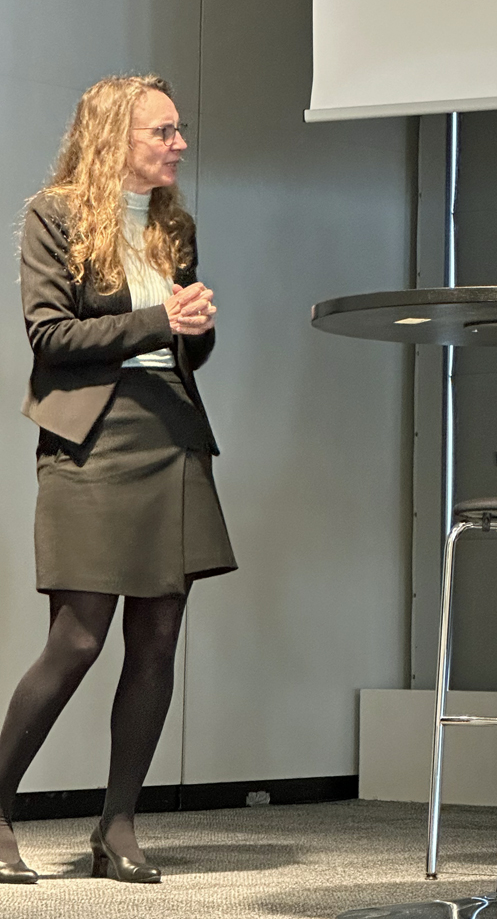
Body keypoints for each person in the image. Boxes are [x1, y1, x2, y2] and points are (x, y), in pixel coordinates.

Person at [0, 75, 236, 885]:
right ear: (114, 136)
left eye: (178, 129)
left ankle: (119, 823)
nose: (178, 143)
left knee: (159, 636)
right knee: (78, 637)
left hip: (170, 431)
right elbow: (50, 332)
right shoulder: (54, 215)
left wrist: (195, 329)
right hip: (92, 438)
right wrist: (158, 321)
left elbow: (180, 350)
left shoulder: (175, 225)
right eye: (161, 131)